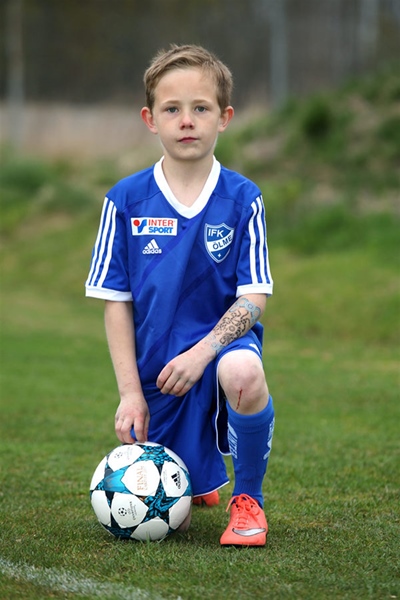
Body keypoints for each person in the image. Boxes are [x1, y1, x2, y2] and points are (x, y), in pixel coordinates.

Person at [85, 44, 275, 547]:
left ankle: (248, 501)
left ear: (224, 118)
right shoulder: (125, 200)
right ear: (150, 119)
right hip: (161, 371)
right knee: (169, 521)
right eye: (172, 109)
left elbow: (254, 299)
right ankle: (196, 476)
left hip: (220, 350)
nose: (186, 121)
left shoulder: (243, 198)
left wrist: (203, 352)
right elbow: (116, 302)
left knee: (244, 372)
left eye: (201, 108)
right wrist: (130, 393)